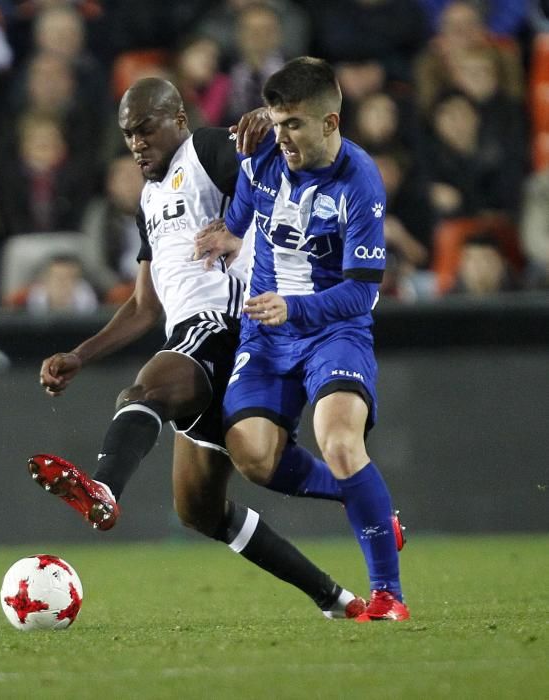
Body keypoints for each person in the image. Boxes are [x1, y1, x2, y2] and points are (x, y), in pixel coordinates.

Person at [30, 76, 367, 621]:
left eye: (145, 130)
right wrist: (80, 355)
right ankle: (339, 592)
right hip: (188, 337)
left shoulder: (207, 150)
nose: (136, 143)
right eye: (127, 135)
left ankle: (104, 491)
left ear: (178, 120)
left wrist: (263, 127)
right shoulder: (147, 199)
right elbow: (144, 306)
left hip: (226, 322)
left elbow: (282, 180)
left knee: (142, 391)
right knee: (199, 509)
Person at [194, 57, 409, 622]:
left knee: (339, 441)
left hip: (333, 330)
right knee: (254, 458)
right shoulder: (260, 150)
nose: (281, 135)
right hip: (266, 334)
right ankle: (364, 500)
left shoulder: (359, 182)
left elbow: (362, 293)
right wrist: (227, 233)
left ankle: (389, 595)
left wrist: (295, 306)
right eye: (276, 120)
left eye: (294, 124)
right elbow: (248, 204)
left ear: (331, 123)